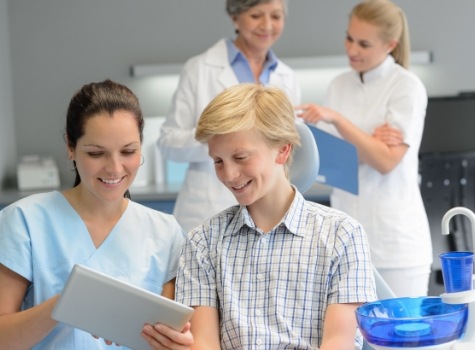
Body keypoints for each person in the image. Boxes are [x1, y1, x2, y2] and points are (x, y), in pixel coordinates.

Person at [167, 83, 376, 349]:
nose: (229, 174)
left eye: (240, 157)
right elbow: (204, 344)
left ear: (283, 150)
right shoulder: (203, 243)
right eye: (218, 161)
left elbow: (339, 342)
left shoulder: (342, 235)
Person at [0, 80, 193, 349]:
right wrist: (64, 304)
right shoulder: (24, 221)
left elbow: (174, 332)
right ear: (71, 147)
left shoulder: (165, 232)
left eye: (128, 151)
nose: (114, 168)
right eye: (96, 153)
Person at [296, 0, 433, 297]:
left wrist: (339, 120)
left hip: (396, 242)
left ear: (390, 45)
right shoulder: (338, 85)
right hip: (346, 236)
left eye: (364, 44)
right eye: (349, 38)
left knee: (402, 338)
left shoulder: (405, 86)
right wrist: (369, 141)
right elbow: (336, 161)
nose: (352, 50)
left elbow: (385, 162)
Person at [158, 0, 301, 232]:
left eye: (276, 16)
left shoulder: (287, 77)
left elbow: (285, 144)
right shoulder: (200, 68)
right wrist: (223, 144)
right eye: (256, 16)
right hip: (208, 207)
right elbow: (168, 142)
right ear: (235, 18)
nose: (267, 25)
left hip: (267, 211)